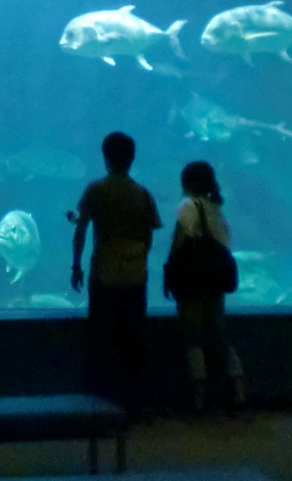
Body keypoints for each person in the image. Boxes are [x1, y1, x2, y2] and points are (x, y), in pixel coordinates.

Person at [70, 132, 162, 413]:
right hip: (135, 276)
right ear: (132, 159)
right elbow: (148, 236)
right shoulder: (142, 193)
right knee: (133, 340)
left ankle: (98, 404)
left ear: (105, 157)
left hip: (104, 274)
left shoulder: (96, 189)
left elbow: (81, 228)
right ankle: (137, 405)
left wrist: (76, 265)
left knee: (101, 339)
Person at [166, 161, 245, 412]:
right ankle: (239, 390)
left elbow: (178, 244)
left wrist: (169, 274)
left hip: (193, 283)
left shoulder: (189, 206)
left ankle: (198, 397)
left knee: (194, 338)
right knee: (220, 336)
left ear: (186, 183)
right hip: (215, 283)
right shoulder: (216, 210)